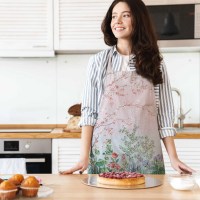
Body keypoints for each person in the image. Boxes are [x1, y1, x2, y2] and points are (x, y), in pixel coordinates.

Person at [60, 0, 194, 175]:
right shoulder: (98, 62)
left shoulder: (155, 62)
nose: (118, 21)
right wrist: (83, 157)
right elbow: (90, 112)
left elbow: (164, 115)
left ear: (138, 20)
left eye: (126, 15)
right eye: (114, 16)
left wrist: (174, 158)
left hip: (146, 157)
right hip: (107, 156)